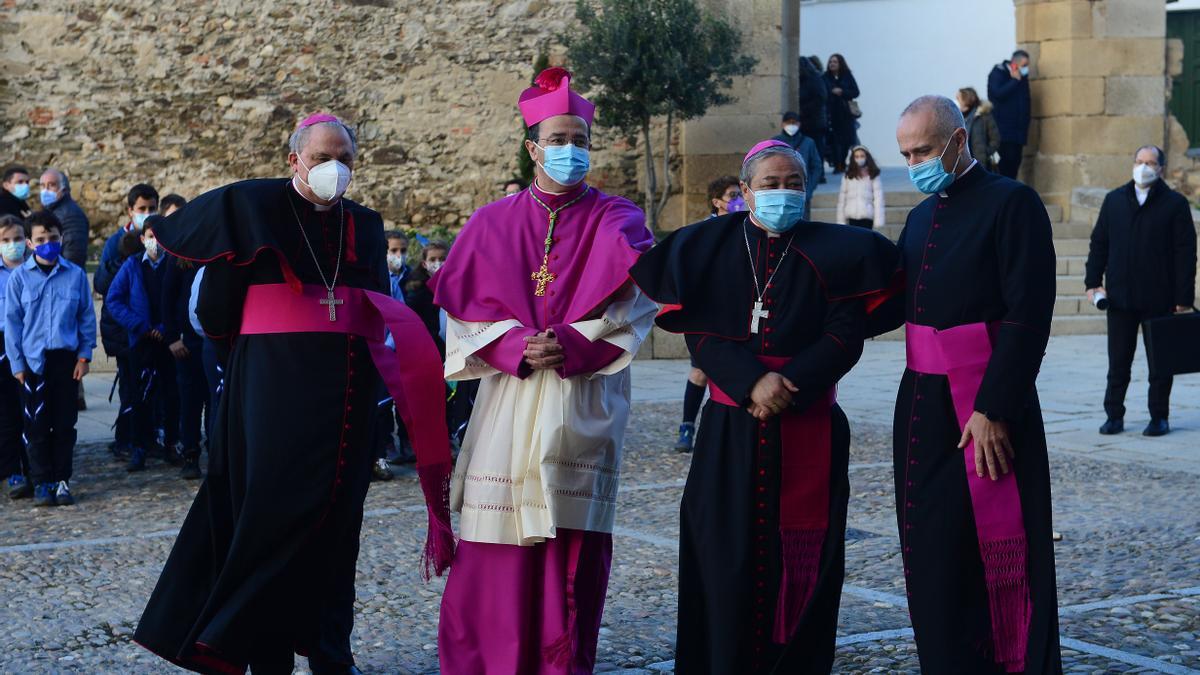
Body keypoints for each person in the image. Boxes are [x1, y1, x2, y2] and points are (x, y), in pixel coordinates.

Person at [133, 113, 453, 674]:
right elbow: (215, 316)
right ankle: (267, 657)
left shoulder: (367, 226)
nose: (335, 169)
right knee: (269, 529)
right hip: (271, 401)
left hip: (349, 403)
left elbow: (375, 305)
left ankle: (333, 654)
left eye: (346, 159)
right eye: (323, 157)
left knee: (338, 532)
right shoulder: (254, 215)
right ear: (294, 161)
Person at [631, 140, 899, 673]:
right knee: (721, 553)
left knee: (805, 557)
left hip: (809, 421)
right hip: (730, 427)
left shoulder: (841, 251)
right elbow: (701, 334)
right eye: (771, 184)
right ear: (747, 192)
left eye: (794, 184)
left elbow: (845, 335)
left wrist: (787, 383)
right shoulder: (706, 247)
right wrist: (753, 382)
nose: (783, 193)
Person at [433, 67, 657, 674]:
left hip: (579, 398)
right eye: (558, 140)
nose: (570, 151)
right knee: (495, 546)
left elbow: (634, 307)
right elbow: (461, 313)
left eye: (580, 139)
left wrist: (571, 344)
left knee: (569, 546)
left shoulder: (620, 220)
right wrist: (512, 346)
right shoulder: (490, 222)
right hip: (508, 399)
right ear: (533, 148)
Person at [876, 94, 1061, 673]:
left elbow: (1029, 312)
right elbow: (891, 302)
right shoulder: (921, 214)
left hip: (986, 406)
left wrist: (993, 407)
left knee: (999, 553)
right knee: (934, 547)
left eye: (924, 150)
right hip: (922, 408)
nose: (915, 164)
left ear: (958, 141)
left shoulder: (1013, 203)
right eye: (906, 154)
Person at [1085, 145, 1197, 438]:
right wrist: (1092, 281)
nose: (1143, 167)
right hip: (1120, 298)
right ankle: (1114, 415)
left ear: (1160, 168)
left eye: (1149, 162)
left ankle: (1159, 416)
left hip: (1160, 298)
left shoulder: (1174, 204)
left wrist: (1183, 299)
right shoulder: (1114, 201)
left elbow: (1186, 254)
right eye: (1139, 161)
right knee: (1118, 361)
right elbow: (1100, 243)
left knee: (1161, 363)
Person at [4, 210, 96, 508]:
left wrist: (84, 355)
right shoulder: (19, 279)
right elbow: (13, 323)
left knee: (64, 424)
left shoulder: (75, 275)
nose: (47, 244)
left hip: (66, 361)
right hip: (32, 363)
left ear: (61, 238)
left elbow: (85, 317)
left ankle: (61, 480)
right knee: (36, 426)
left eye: (52, 238)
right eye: (40, 239)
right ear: (30, 243)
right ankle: (42, 480)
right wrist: (17, 364)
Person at [673, 175, 743, 453]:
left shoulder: (749, 227)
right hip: (708, 313)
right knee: (700, 371)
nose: (738, 199)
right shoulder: (702, 233)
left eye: (740, 193)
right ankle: (687, 426)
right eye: (732, 195)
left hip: (742, 311)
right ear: (717, 202)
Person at [105, 220, 181, 472]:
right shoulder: (132, 265)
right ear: (142, 239)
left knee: (171, 395)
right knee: (139, 397)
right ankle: (139, 447)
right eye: (150, 236)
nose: (155, 242)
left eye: (159, 237)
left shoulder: (174, 263)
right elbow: (114, 300)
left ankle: (171, 443)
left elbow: (182, 299)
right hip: (140, 340)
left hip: (168, 340)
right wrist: (140, 325)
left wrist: (165, 328)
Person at [95, 184, 159, 461]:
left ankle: (149, 437)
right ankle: (126, 439)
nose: (146, 214)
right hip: (126, 332)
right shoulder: (114, 243)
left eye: (151, 209)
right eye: (141, 209)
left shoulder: (158, 236)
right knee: (130, 389)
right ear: (130, 211)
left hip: (153, 331)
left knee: (152, 388)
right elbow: (104, 286)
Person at [160, 203, 209, 480]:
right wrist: (171, 337)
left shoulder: (215, 253)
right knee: (189, 402)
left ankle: (215, 448)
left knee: (215, 401)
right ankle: (190, 454)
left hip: (212, 341)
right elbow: (168, 299)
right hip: (187, 343)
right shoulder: (180, 257)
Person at [0, 215, 31, 499]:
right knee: (8, 415)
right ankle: (13, 471)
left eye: (17, 239)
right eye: (6, 240)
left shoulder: (34, 270)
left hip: (31, 345)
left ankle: (37, 467)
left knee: (30, 412)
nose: (13, 245)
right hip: (2, 347)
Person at [988, 50, 1033, 180]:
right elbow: (997, 94)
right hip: (1004, 131)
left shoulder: (1022, 77)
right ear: (1015, 63)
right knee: (1005, 165)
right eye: (1024, 65)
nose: (1026, 68)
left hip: (1018, 132)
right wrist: (1014, 81)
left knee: (1015, 164)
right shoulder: (998, 72)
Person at [772, 111, 822, 218]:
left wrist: (809, 189)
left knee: (803, 226)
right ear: (782, 124)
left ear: (799, 124)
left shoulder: (808, 142)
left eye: (794, 122)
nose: (791, 125)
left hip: (801, 192)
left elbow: (817, 167)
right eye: (788, 122)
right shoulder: (775, 142)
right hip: (780, 193)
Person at [39, 169, 91, 268]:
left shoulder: (71, 216)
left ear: (64, 189)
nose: (45, 190)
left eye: (51, 185)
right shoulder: (51, 211)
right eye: (42, 186)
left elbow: (73, 256)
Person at [822, 54, 860, 175]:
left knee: (847, 141)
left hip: (846, 114)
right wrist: (831, 92)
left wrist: (842, 92)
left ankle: (843, 162)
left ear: (840, 64)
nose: (832, 64)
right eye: (830, 62)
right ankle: (837, 164)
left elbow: (855, 92)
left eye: (835, 62)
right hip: (832, 114)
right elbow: (822, 93)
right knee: (835, 141)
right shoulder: (825, 77)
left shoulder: (847, 76)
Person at [836, 145, 885, 229]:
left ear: (867, 157)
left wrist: (878, 219)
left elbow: (878, 198)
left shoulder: (873, 174)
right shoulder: (848, 175)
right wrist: (841, 220)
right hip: (851, 216)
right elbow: (842, 199)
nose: (859, 158)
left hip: (867, 216)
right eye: (857, 156)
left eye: (862, 156)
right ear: (853, 158)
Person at [798, 56, 830, 179]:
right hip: (805, 122)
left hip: (815, 122)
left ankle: (819, 174)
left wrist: (804, 110)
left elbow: (820, 98)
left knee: (817, 149)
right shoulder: (802, 80)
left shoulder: (815, 79)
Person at [957, 87, 1001, 173]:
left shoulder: (984, 116)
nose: (956, 101)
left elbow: (996, 138)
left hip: (982, 165)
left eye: (958, 98)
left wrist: (985, 152)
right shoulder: (957, 117)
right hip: (964, 165)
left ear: (967, 100)